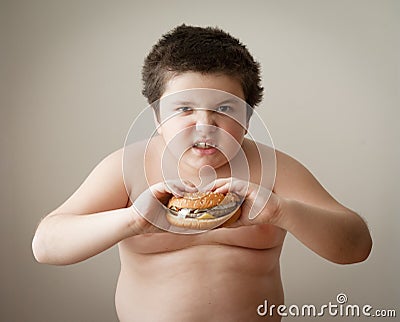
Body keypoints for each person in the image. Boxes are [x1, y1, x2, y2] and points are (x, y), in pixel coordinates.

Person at [32, 24, 372, 321]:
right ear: (156, 117)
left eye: (225, 109)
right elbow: (46, 245)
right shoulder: (129, 167)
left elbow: (357, 246)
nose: (205, 125)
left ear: (249, 117)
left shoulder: (275, 169)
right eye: (184, 109)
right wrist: (134, 220)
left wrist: (283, 212)